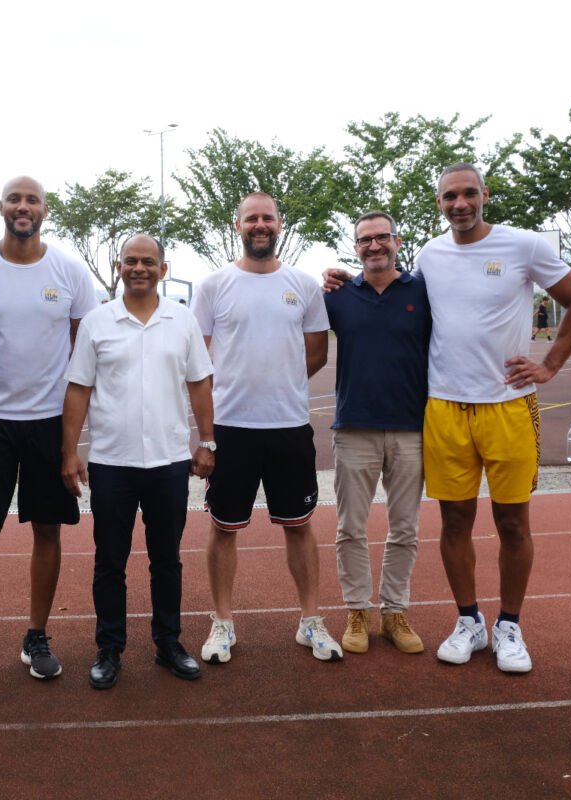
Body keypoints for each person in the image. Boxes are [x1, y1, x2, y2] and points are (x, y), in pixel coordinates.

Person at [415, 163, 571, 673]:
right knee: (454, 520)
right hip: (444, 407)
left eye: (469, 193)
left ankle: (509, 625)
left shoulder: (524, 246)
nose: (460, 203)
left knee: (512, 521)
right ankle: (468, 621)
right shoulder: (429, 254)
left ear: (485, 195)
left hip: (508, 406)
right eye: (450, 196)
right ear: (439, 202)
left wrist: (549, 364)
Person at [0, 175, 98, 694]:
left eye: (32, 200)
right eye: (15, 199)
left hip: (49, 423)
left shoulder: (70, 272)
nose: (23, 207)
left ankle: (37, 637)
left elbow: (82, 350)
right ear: (1, 207)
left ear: (45, 210)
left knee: (47, 530)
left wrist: (70, 438)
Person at [61, 233, 215, 689]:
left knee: (167, 560)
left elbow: (200, 383)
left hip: (169, 461)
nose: (139, 268)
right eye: (131, 260)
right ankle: (109, 648)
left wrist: (208, 442)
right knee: (110, 560)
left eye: (149, 261)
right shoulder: (97, 322)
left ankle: (169, 643)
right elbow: (79, 389)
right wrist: (69, 452)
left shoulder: (182, 320)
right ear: (118, 267)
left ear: (163, 270)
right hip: (112, 462)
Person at [192, 191, 339, 665]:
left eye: (268, 218)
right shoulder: (214, 285)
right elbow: (197, 362)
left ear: (279, 225)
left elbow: (315, 353)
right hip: (231, 429)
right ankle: (222, 622)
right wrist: (207, 433)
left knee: (299, 526)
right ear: (237, 226)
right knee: (224, 527)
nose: (260, 225)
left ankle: (310, 620)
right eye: (251, 218)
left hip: (288, 427)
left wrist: (282, 381)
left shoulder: (303, 285)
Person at [324, 211, 430, 657]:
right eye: (365, 240)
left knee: (405, 528)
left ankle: (394, 612)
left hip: (411, 429)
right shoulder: (337, 296)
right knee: (350, 528)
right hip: (354, 428)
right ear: (356, 248)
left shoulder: (423, 291)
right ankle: (357, 611)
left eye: (381, 237)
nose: (374, 245)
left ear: (397, 241)